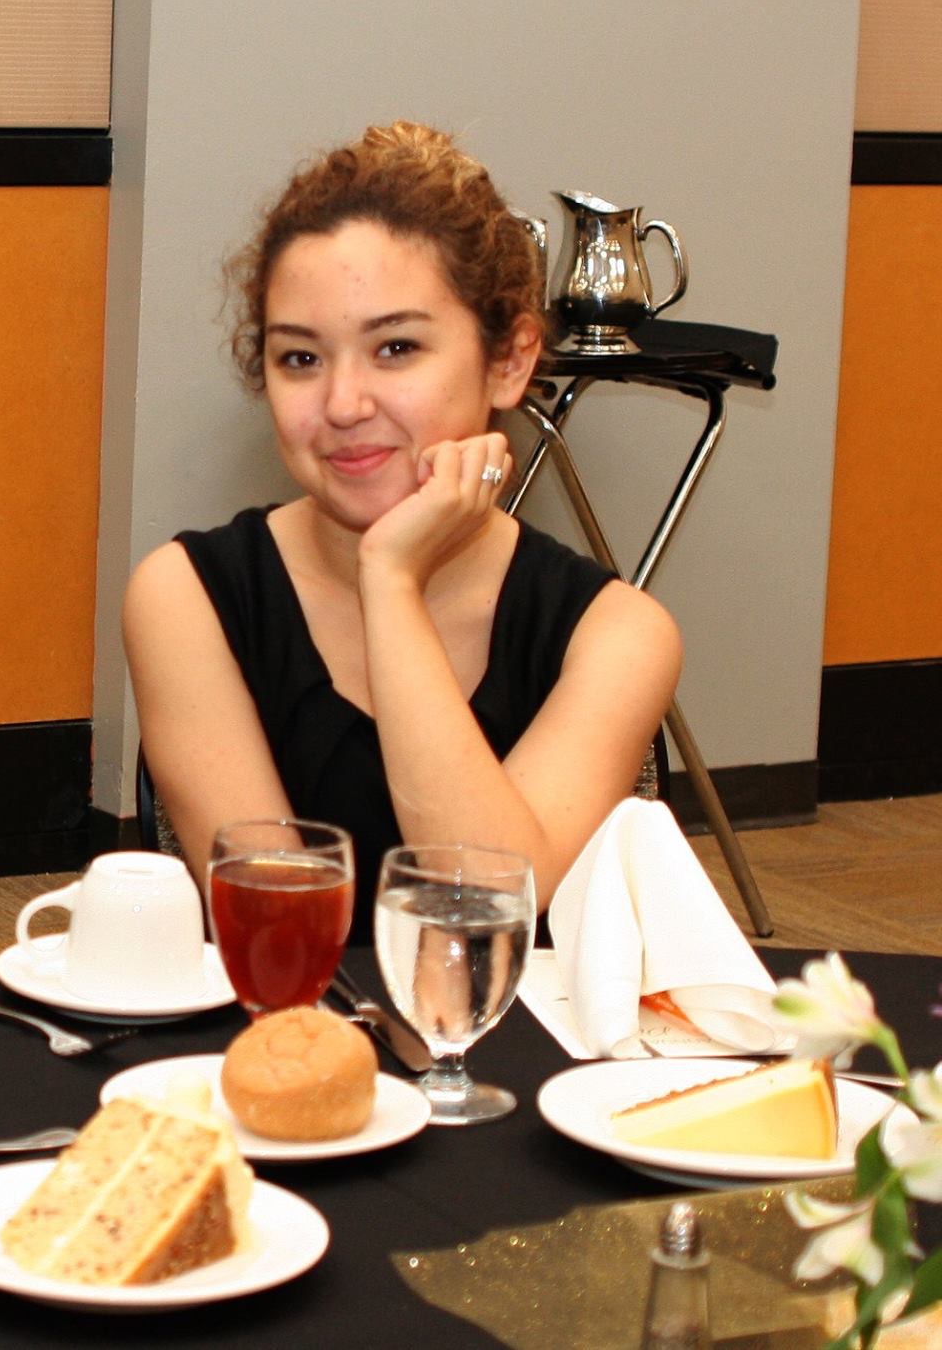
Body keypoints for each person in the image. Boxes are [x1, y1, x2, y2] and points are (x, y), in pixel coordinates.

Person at [124, 121, 680, 942]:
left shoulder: (618, 633)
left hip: (532, 1063)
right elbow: (284, 937)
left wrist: (389, 581)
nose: (344, 404)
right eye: (301, 359)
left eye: (395, 347)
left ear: (510, 360)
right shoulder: (187, 596)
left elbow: (483, 910)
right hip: (292, 1051)